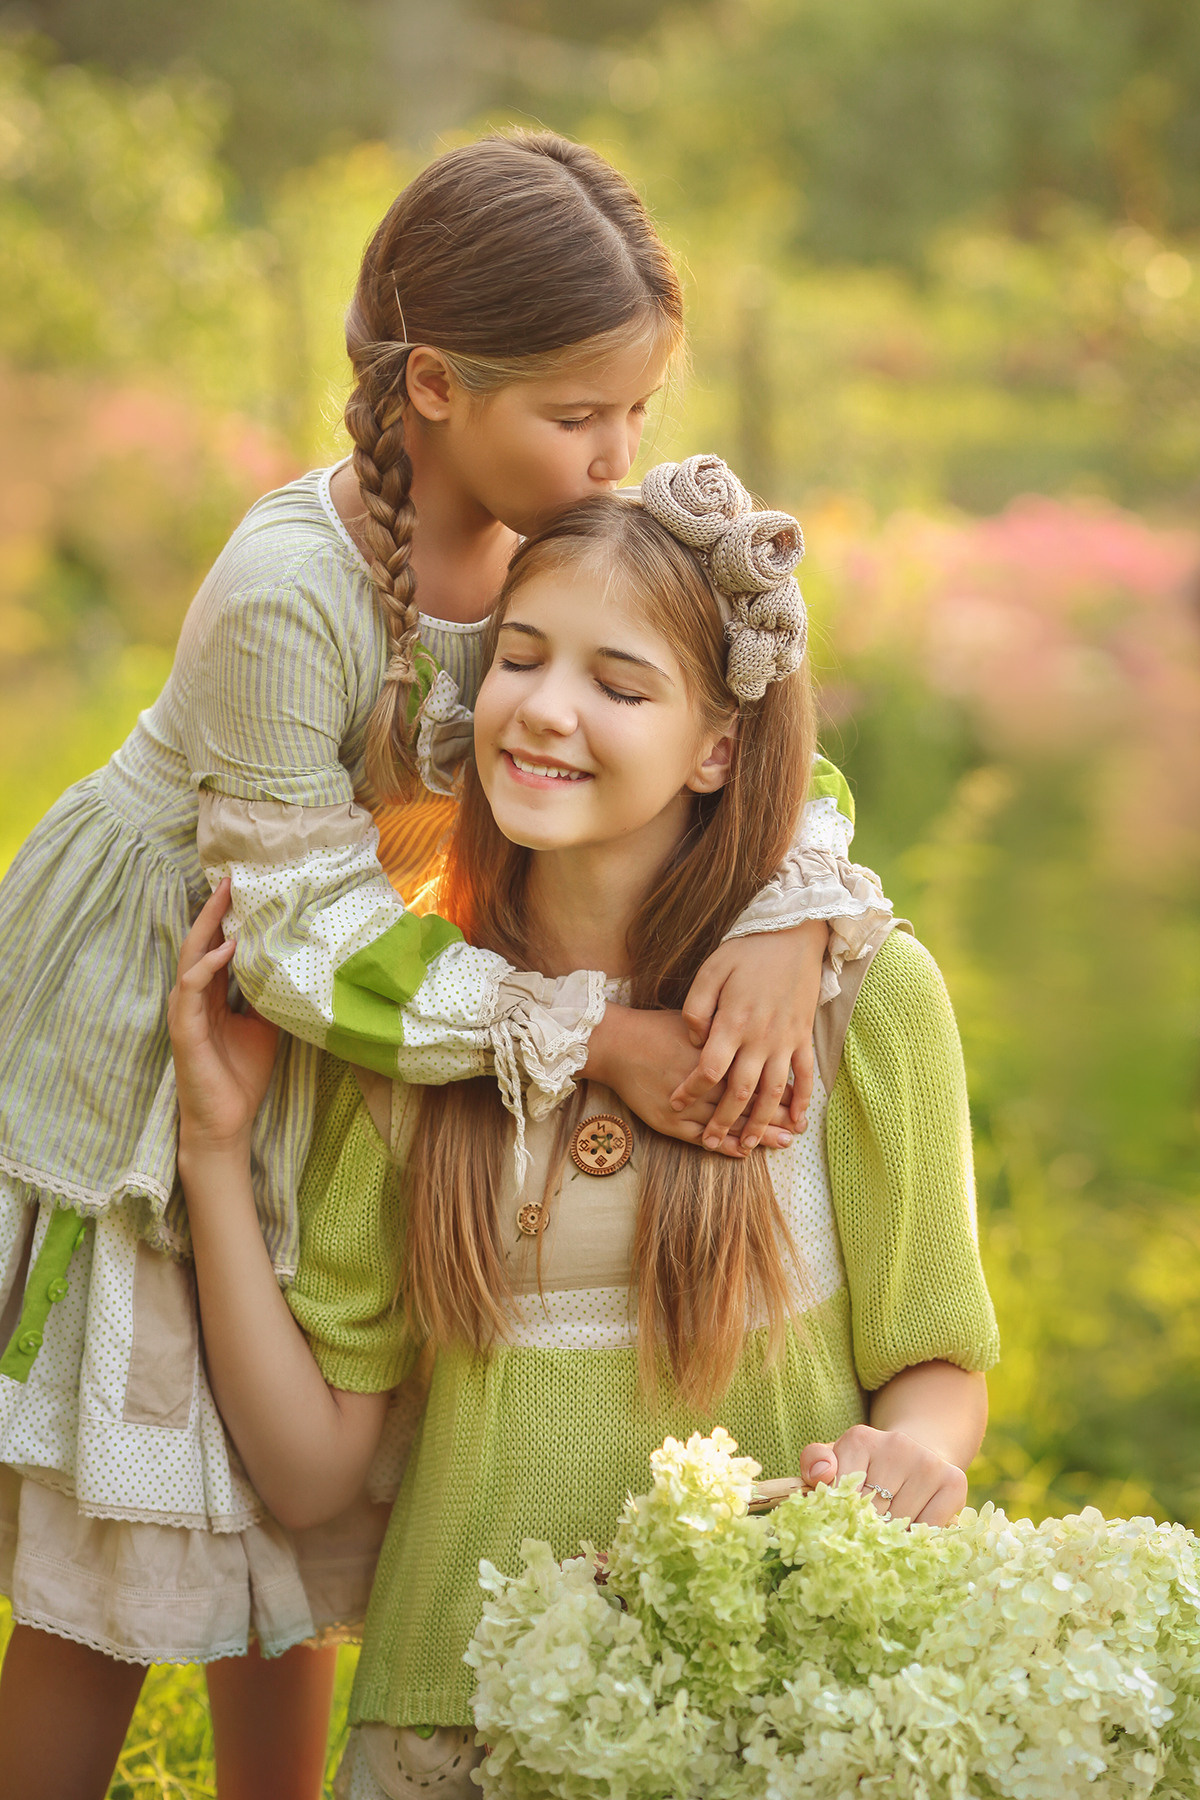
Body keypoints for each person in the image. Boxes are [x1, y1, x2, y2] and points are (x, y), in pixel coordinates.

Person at [0, 136, 888, 1798]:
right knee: (144, 1508)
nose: (621, 451)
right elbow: (297, 936)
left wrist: (795, 912)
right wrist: (595, 1036)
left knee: (291, 1492)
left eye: (637, 408)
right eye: (580, 416)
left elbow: (749, 735)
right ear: (433, 389)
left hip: (399, 996)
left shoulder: (579, 535)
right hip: (199, 993)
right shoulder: (290, 595)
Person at [170, 461, 999, 1800]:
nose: (545, 713)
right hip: (457, 1725)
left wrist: (914, 1451)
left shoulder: (858, 1000)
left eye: (618, 686)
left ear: (718, 746)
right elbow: (312, 1470)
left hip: (780, 1721)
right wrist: (216, 1150)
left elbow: (936, 1357)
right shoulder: (418, 1022)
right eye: (519, 660)